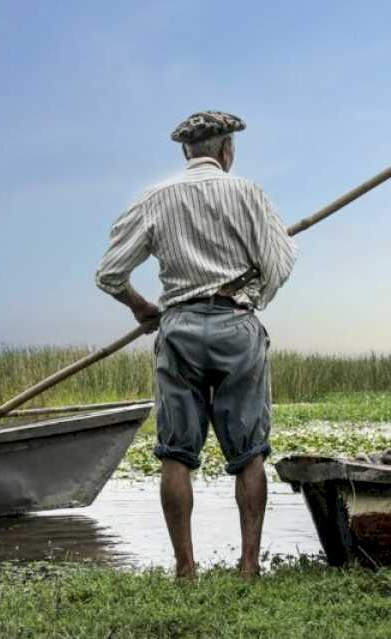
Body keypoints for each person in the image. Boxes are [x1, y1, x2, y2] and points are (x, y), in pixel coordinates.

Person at [95, 111, 297, 579]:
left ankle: (185, 568)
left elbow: (109, 274)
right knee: (249, 453)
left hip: (179, 328)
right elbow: (280, 264)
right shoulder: (249, 194)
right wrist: (251, 298)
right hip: (236, 326)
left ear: (187, 151)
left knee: (175, 454)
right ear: (227, 150)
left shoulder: (154, 199)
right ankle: (249, 567)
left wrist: (142, 308)